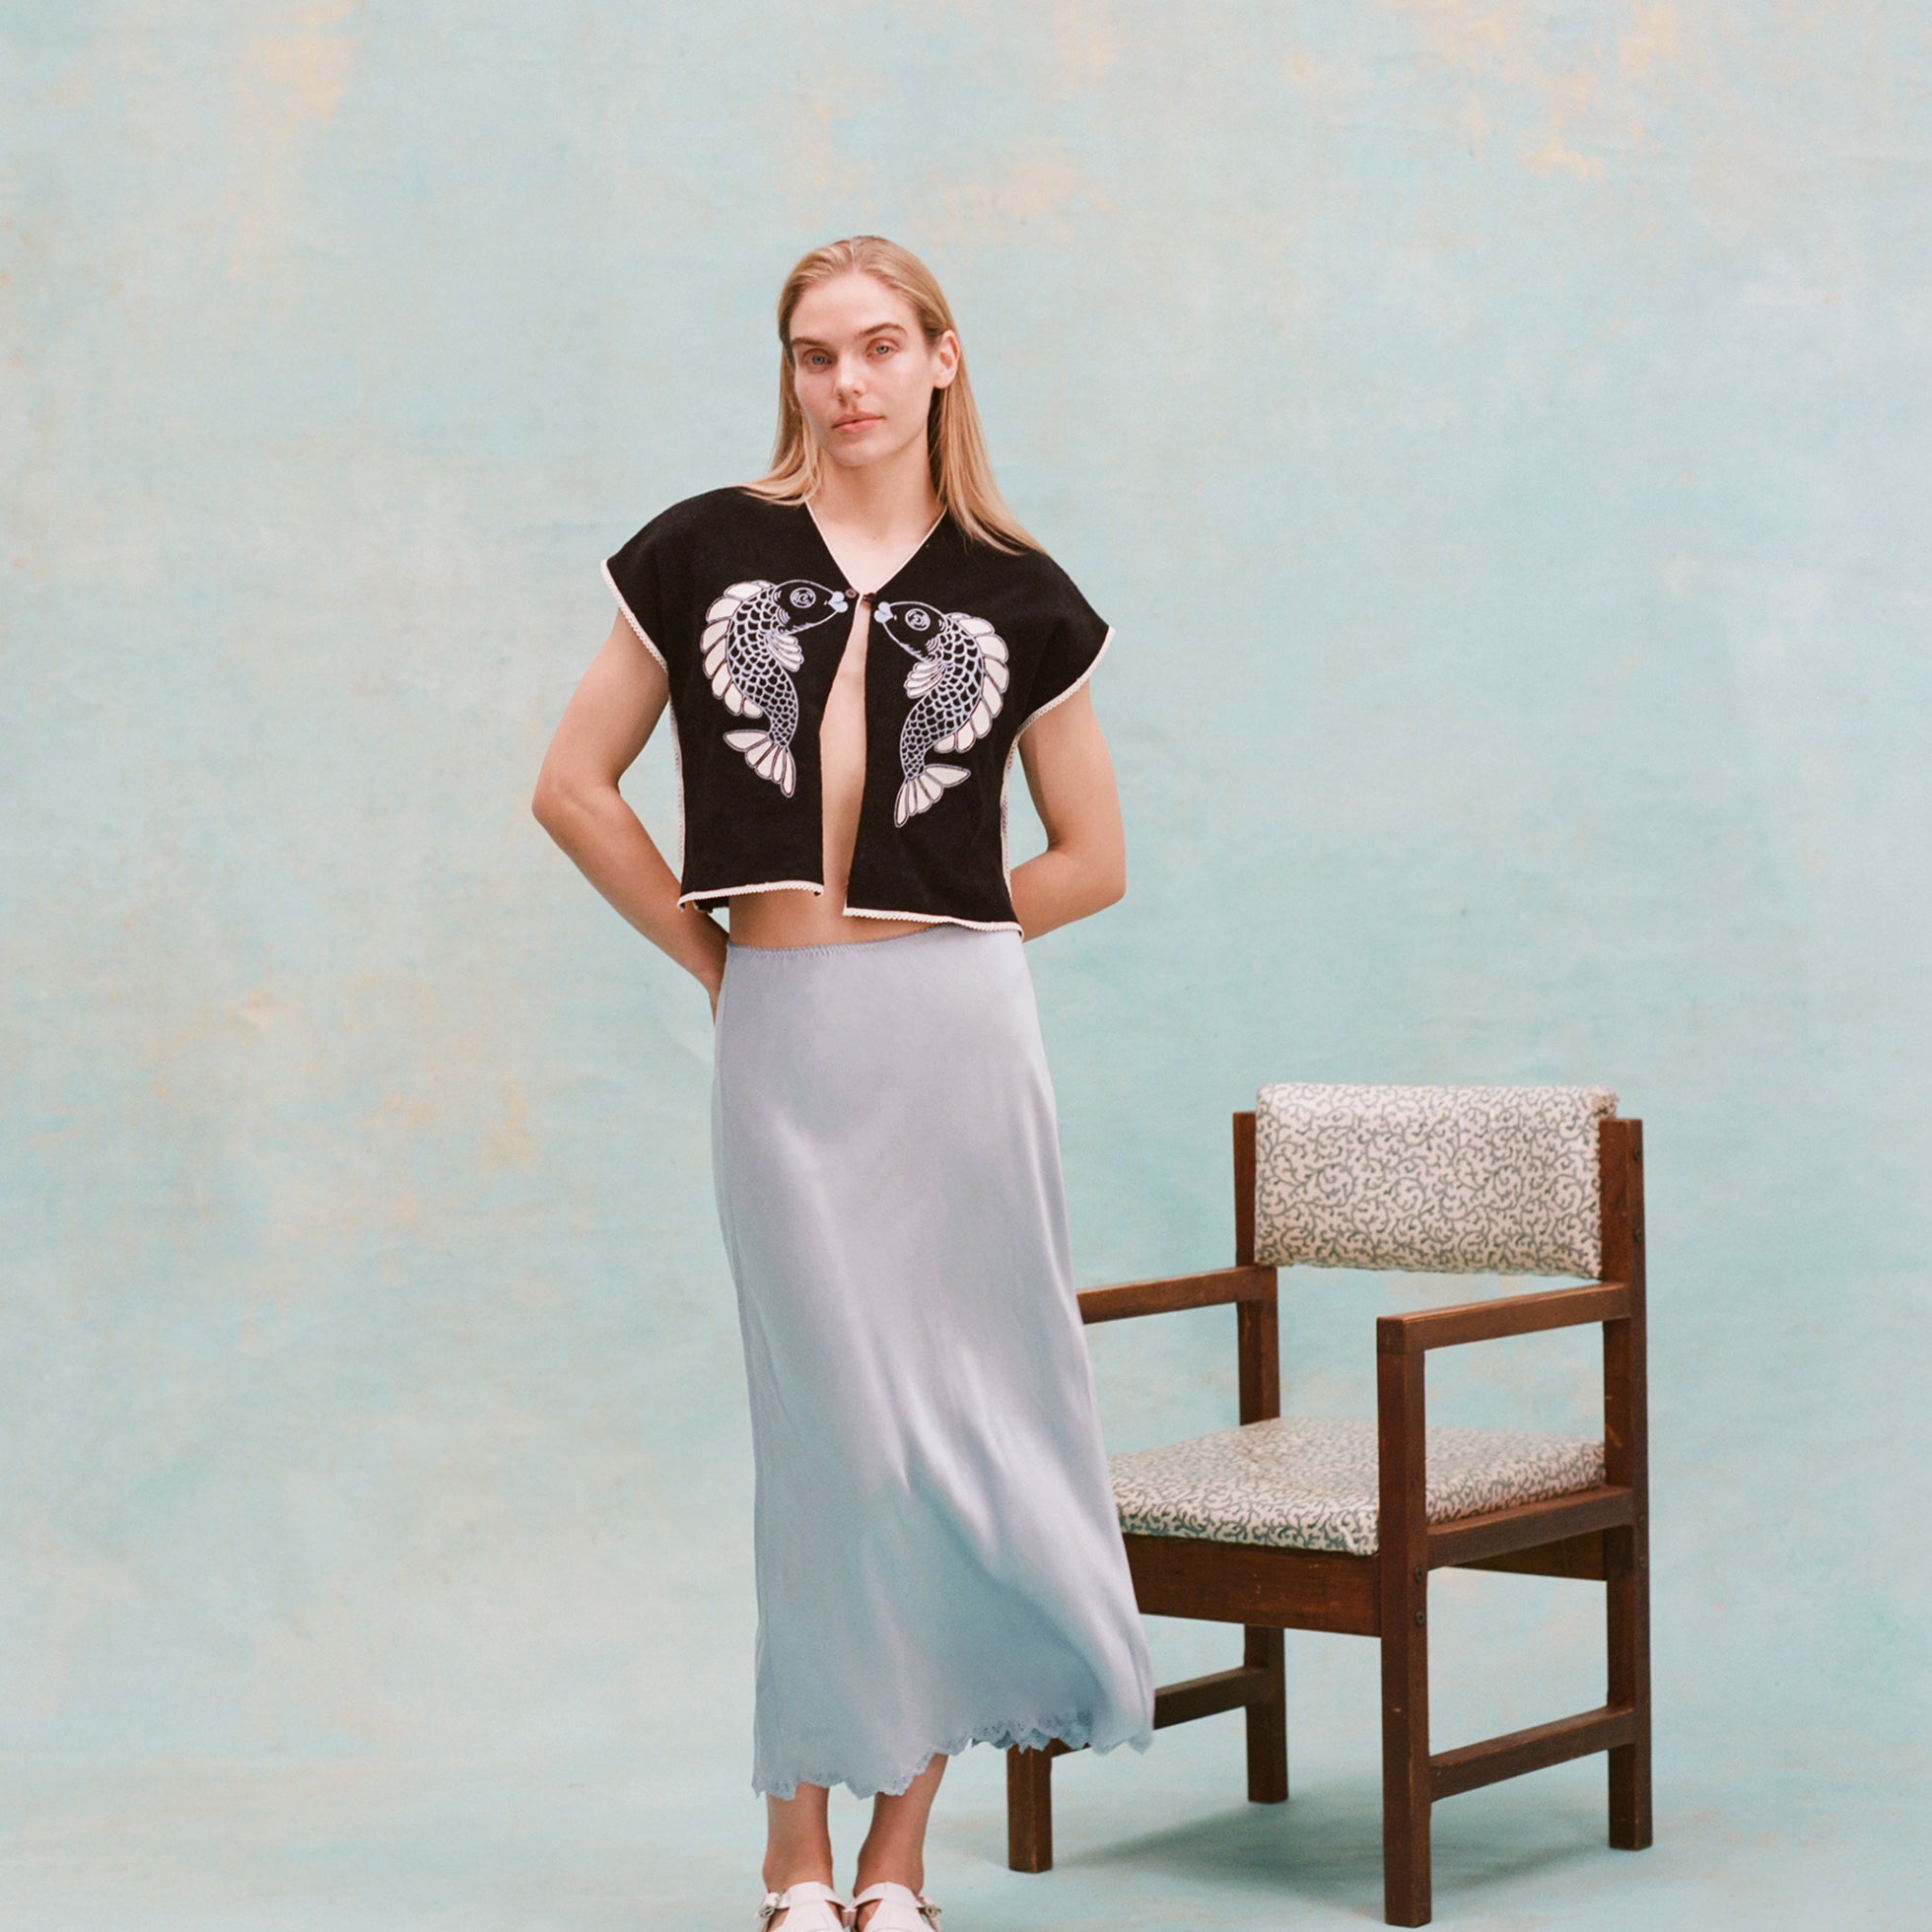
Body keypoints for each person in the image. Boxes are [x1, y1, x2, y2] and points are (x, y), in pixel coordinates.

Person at [532, 235, 1155, 1932]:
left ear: (944, 359)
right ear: (790, 370)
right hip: (786, 1042)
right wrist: (724, 966)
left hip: (960, 1042)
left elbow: (1091, 859)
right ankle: (786, 1847)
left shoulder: (1024, 594)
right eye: (818, 355)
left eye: (882, 348)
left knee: (963, 1433)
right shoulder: (701, 551)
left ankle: (889, 1862)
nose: (850, 384)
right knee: (835, 1449)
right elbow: (572, 788)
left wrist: (935, 933)